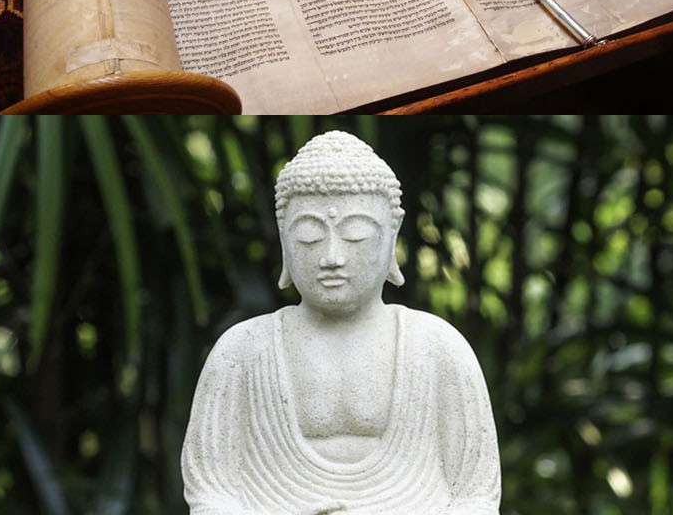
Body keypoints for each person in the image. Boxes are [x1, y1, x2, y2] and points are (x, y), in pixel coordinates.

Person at [182, 132, 500, 514]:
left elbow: (476, 496)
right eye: (310, 235)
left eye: (356, 233)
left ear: (392, 236)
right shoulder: (243, 350)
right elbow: (210, 495)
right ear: (284, 239)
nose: (332, 257)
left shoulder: (437, 347)